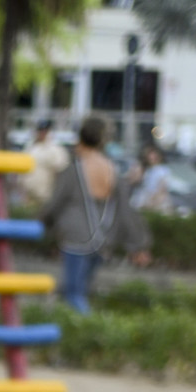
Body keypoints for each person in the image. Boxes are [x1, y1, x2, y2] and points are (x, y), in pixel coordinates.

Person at [46, 115, 150, 314]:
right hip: (102, 238)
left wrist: (40, 224)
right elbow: (125, 209)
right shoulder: (111, 168)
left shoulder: (75, 169)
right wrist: (138, 244)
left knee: (73, 294)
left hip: (76, 239)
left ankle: (90, 329)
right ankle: (76, 333)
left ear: (81, 136)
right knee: (78, 290)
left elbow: (55, 202)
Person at [19, 119, 69, 211]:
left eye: (45, 131)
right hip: (29, 196)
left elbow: (60, 172)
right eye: (40, 130)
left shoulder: (56, 149)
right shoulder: (30, 147)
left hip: (46, 196)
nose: (42, 133)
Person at [131, 141, 172, 213]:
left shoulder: (162, 170)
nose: (152, 158)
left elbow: (162, 188)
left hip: (155, 201)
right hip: (145, 200)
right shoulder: (147, 170)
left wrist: (153, 201)